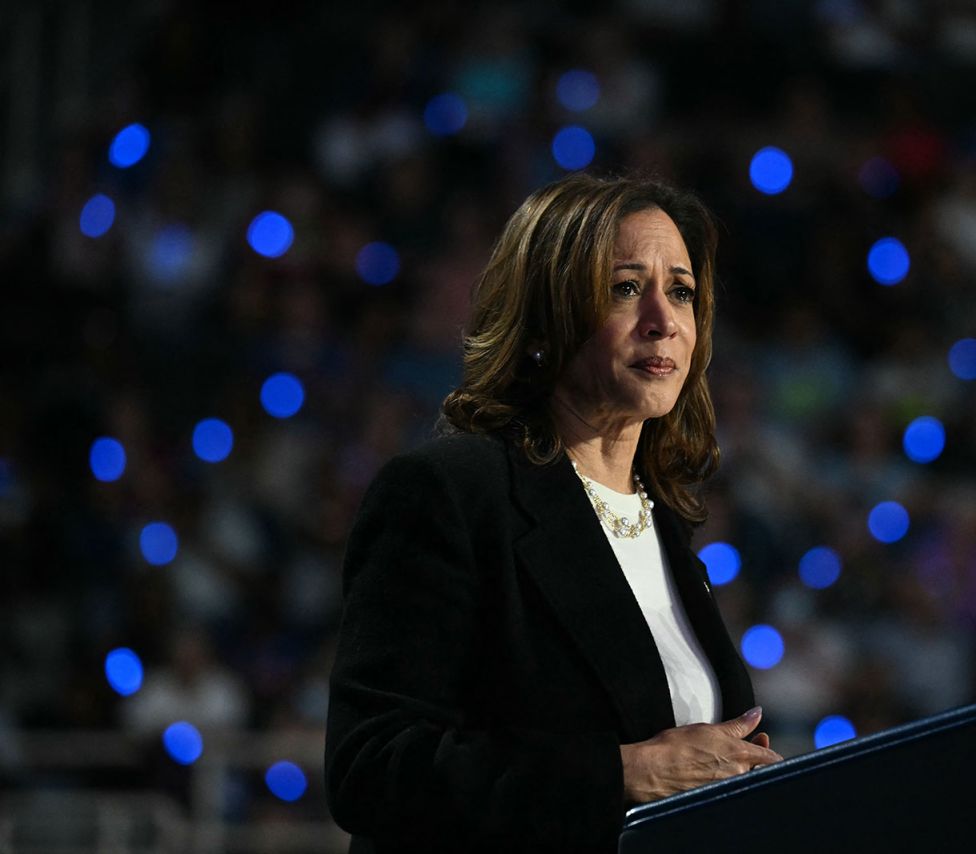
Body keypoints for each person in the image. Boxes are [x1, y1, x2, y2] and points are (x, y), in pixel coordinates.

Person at [325, 173, 783, 852]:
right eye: (627, 288)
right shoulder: (450, 491)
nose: (664, 320)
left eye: (682, 292)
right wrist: (621, 774)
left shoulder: (667, 524)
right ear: (547, 315)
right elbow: (373, 767)